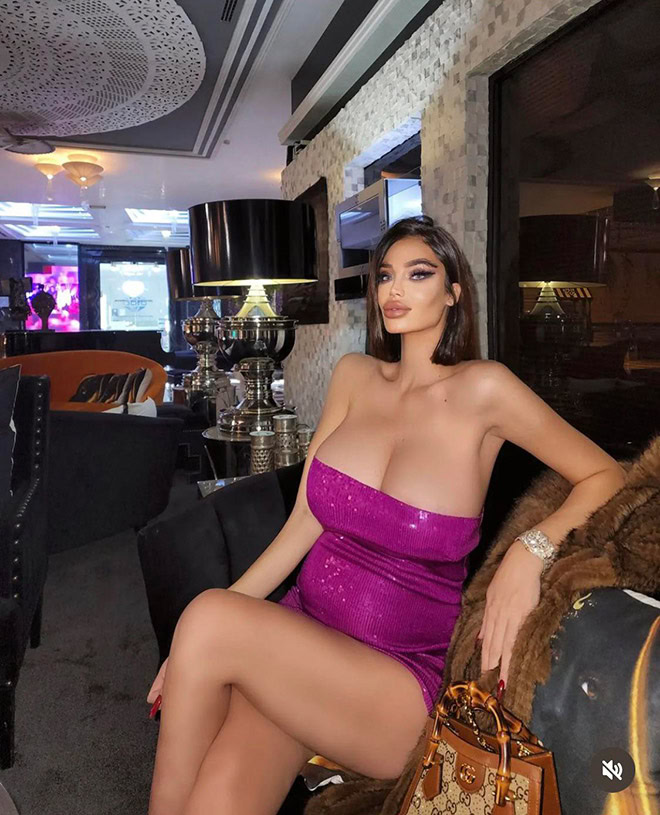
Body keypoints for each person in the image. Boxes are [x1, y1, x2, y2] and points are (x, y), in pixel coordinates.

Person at [145, 215, 626, 815]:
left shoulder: (486, 390)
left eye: (418, 274)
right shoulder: (353, 376)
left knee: (208, 616)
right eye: (385, 276)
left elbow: (606, 475)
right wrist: (188, 652)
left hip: (395, 686)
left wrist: (532, 549)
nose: (394, 290)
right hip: (302, 641)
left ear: (453, 292)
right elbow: (303, 524)